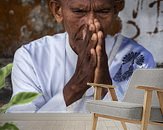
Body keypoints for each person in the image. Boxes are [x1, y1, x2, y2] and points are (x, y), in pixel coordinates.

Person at [8, 0, 155, 113]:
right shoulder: (31, 57)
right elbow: (20, 125)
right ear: (58, 10)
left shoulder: (137, 59)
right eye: (79, 11)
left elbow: (141, 124)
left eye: (103, 11)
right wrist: (77, 85)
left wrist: (104, 89)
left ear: (116, 9)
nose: (91, 23)